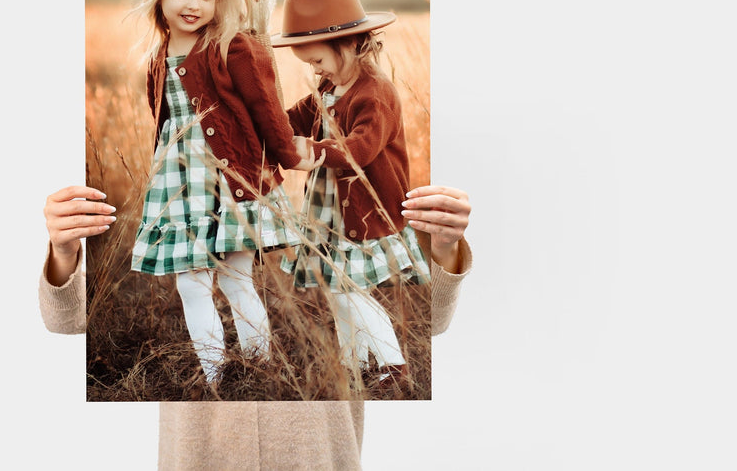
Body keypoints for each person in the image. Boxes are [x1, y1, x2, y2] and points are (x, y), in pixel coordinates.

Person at [40, 182, 471, 470]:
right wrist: (63, 252)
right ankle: (223, 372)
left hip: (317, 457)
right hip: (200, 458)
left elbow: (435, 321)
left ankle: (279, 362)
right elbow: (65, 321)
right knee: (203, 287)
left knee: (281, 287)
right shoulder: (165, 80)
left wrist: (447, 249)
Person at [126, 0, 324, 384]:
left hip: (231, 181)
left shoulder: (231, 47)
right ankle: (213, 376)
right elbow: (164, 124)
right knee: (191, 284)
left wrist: (287, 156)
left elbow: (266, 109)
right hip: (180, 185)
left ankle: (260, 369)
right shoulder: (157, 58)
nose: (194, 4)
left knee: (237, 279)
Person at [270, 0, 431, 391]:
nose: (315, 70)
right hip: (328, 212)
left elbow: (360, 149)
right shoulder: (328, 87)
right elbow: (295, 119)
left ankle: (391, 365)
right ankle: (355, 361)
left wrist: (314, 152)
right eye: (308, 64)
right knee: (335, 289)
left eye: (318, 60)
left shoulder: (375, 95)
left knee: (351, 290)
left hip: (362, 212)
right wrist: (268, 128)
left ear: (350, 44)